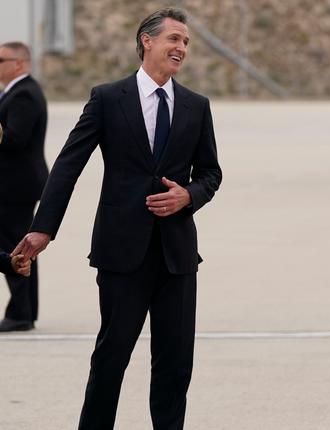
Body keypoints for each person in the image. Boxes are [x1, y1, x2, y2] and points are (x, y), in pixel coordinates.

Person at [13, 8, 222, 429]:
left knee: (175, 364)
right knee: (111, 357)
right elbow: (69, 165)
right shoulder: (108, 98)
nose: (181, 48)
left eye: (186, 42)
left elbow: (211, 173)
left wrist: (189, 196)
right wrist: (42, 229)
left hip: (177, 256)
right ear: (147, 41)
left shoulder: (196, 106)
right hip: (121, 252)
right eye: (174, 39)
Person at [0, 41, 48, 332]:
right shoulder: (14, 92)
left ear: (19, 63)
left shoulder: (25, 94)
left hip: (16, 186)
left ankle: (21, 313)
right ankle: (24, 310)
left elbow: (15, 138)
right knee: (18, 245)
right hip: (14, 184)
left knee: (13, 246)